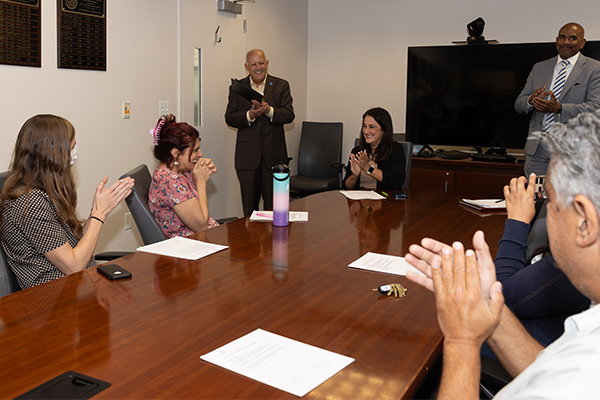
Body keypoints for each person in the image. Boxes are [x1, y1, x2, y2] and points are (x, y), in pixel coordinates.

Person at [404, 110, 600, 399]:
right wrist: (486, 303)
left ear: (584, 222)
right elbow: (544, 370)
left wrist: (462, 340)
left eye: (550, 201)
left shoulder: (580, 376)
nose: (546, 210)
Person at [0, 114, 134, 289]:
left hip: (75, 288)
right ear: (53, 153)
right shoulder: (30, 202)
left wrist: (98, 211)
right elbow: (74, 265)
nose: (75, 152)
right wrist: (98, 215)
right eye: (72, 147)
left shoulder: (44, 191)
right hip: (52, 299)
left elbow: (74, 244)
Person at [490, 173, 589, 350]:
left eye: (552, 200)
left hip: (529, 348)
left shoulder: (579, 259)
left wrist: (517, 220)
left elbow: (500, 298)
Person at [515, 22, 600, 177]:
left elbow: (596, 108)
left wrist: (559, 108)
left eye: (572, 38)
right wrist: (531, 100)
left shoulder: (594, 68)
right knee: (535, 199)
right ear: (556, 40)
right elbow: (519, 103)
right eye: (562, 37)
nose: (566, 42)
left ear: (582, 43)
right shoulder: (539, 68)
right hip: (538, 149)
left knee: (568, 200)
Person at [225, 49, 295, 217]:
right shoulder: (237, 88)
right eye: (253, 64)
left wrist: (269, 110)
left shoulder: (281, 85)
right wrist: (250, 115)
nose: (258, 67)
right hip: (247, 158)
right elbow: (229, 118)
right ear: (246, 67)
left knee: (276, 210)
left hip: (274, 157)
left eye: (261, 63)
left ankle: (277, 243)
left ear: (267, 63)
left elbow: (289, 115)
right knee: (250, 211)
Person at [148, 114, 219, 238]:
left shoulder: (179, 172)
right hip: (192, 246)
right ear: (176, 153)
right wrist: (201, 182)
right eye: (196, 150)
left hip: (203, 239)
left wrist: (202, 172)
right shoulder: (169, 181)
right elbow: (201, 226)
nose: (200, 154)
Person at [342, 107, 406, 191]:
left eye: (372, 127)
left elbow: (397, 182)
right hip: (358, 201)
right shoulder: (357, 151)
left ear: (384, 130)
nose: (366, 131)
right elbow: (346, 187)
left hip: (384, 201)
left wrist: (368, 168)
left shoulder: (395, 150)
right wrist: (355, 176)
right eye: (364, 126)